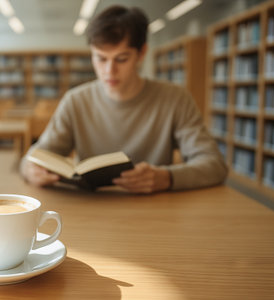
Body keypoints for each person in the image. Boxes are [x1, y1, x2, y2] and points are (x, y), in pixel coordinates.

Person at [20, 5, 228, 193]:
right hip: (91, 210)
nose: (109, 71)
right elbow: (34, 157)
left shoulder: (175, 99)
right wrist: (30, 170)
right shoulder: (75, 100)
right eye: (101, 58)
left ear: (141, 53)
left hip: (158, 210)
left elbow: (215, 165)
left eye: (121, 59)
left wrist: (167, 177)